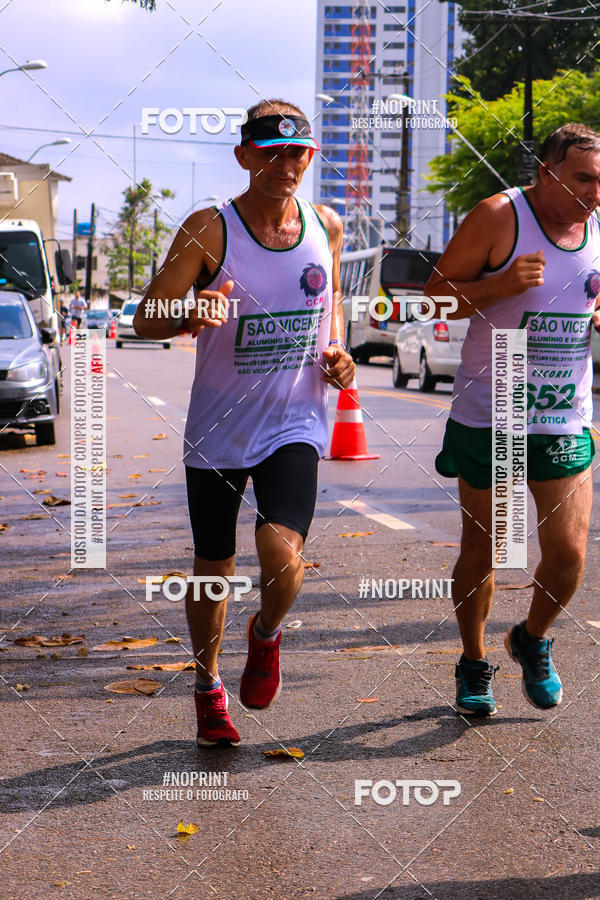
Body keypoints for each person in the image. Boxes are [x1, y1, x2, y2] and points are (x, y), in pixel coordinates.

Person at [133, 99, 355, 746]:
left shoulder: (326, 226)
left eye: (298, 154)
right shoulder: (211, 229)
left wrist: (337, 354)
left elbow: (328, 308)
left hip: (296, 417)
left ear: (310, 158)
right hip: (219, 425)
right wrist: (188, 309)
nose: (286, 165)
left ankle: (265, 636)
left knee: (280, 553)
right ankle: (207, 685)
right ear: (244, 156)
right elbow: (146, 318)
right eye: (272, 153)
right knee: (213, 563)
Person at [425, 123, 600, 716]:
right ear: (547, 172)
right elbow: (435, 298)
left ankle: (531, 637)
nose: (595, 192)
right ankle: (474, 663)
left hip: (562, 415)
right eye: (583, 179)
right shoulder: (500, 216)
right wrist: (500, 285)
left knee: (569, 554)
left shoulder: (597, 227)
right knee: (488, 548)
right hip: (491, 412)